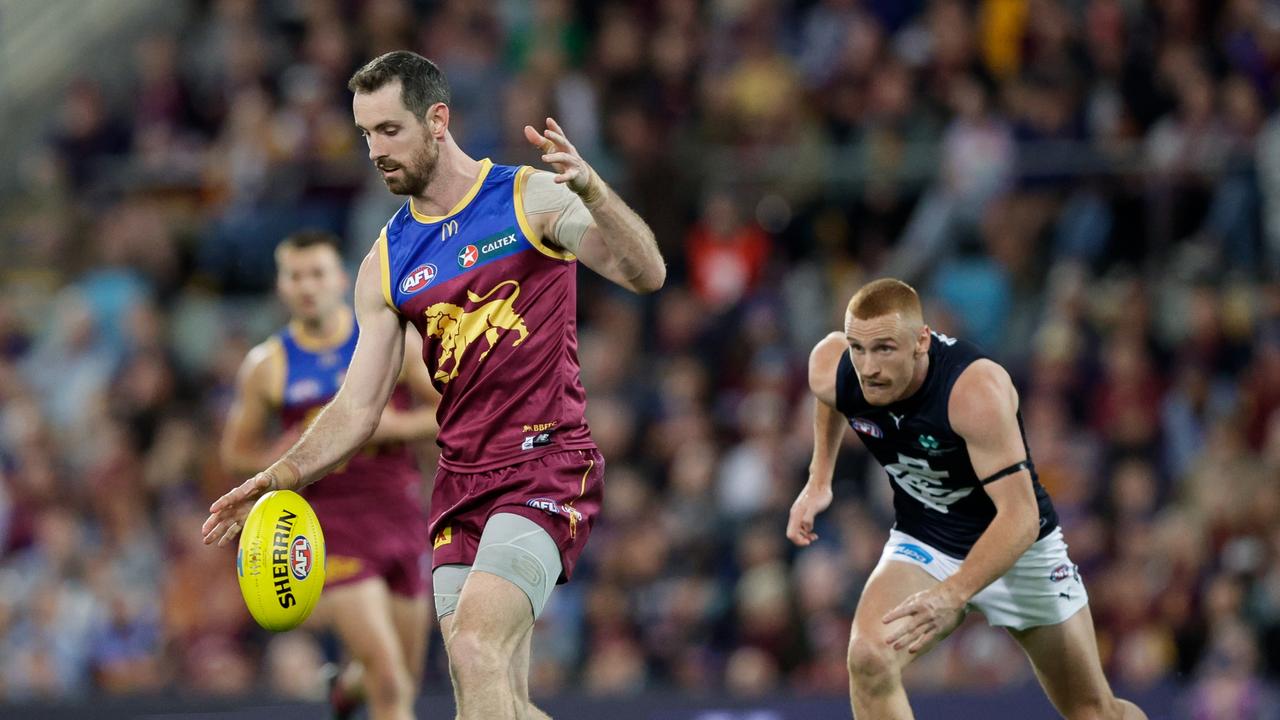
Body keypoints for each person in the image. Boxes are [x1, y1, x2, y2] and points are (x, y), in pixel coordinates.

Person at [203, 50, 665, 720]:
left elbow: (645, 271)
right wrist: (280, 475)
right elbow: (357, 407)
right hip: (459, 487)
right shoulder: (386, 261)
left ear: (437, 120)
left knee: (476, 646)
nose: (375, 151)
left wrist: (592, 190)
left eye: (389, 130)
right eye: (365, 134)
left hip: (543, 465)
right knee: (493, 696)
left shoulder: (526, 197)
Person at [786, 278, 1147, 720]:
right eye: (859, 349)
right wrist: (818, 478)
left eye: (884, 349)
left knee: (1094, 712)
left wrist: (951, 596)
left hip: (1017, 550)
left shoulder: (973, 389)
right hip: (927, 539)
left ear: (921, 341)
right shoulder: (834, 365)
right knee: (869, 659)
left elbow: (1021, 516)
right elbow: (831, 397)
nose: (868, 367)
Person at [219, 230, 439, 720]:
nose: (306, 286)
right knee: (390, 682)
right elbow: (235, 452)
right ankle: (364, 683)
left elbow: (448, 413)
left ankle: (345, 689)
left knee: (402, 670)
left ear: (340, 278)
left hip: (400, 516)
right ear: (282, 286)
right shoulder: (267, 365)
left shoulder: (388, 341)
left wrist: (390, 425)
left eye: (316, 274)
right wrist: (288, 449)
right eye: (295, 276)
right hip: (327, 525)